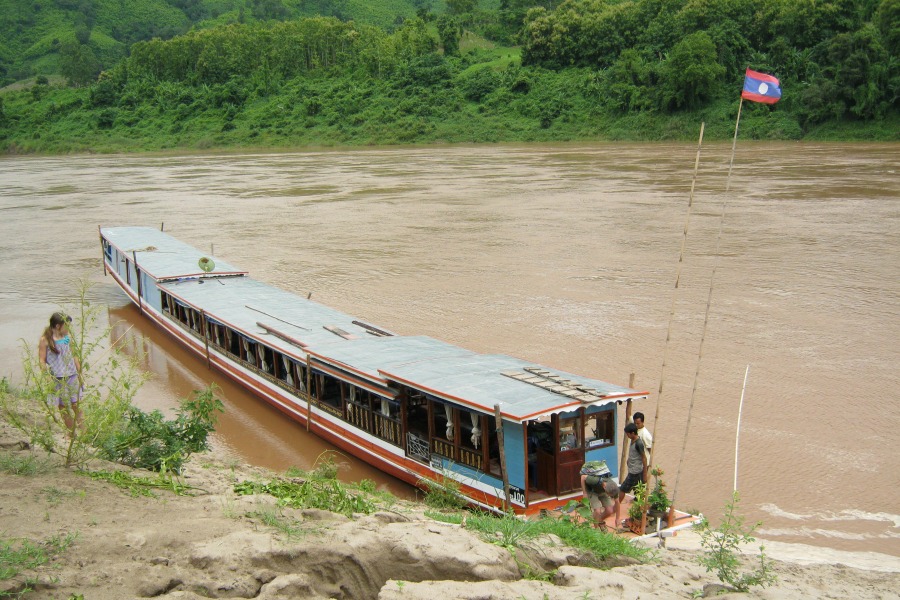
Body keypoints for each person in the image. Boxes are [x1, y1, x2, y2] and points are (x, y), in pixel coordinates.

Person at [38, 312, 83, 434]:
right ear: (58, 326)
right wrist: (47, 377)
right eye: (66, 325)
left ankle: (85, 432)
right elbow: (42, 360)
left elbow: (74, 356)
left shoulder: (68, 338)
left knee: (76, 404)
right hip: (57, 378)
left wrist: (80, 372)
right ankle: (71, 432)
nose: (68, 328)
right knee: (62, 406)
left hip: (72, 375)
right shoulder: (45, 340)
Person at [616, 423, 648, 527]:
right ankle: (640, 511)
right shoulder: (632, 441)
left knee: (623, 489)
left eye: (628, 434)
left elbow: (644, 458)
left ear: (633, 433)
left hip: (635, 472)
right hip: (633, 470)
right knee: (638, 493)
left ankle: (616, 507)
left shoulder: (639, 443)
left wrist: (645, 473)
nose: (627, 436)